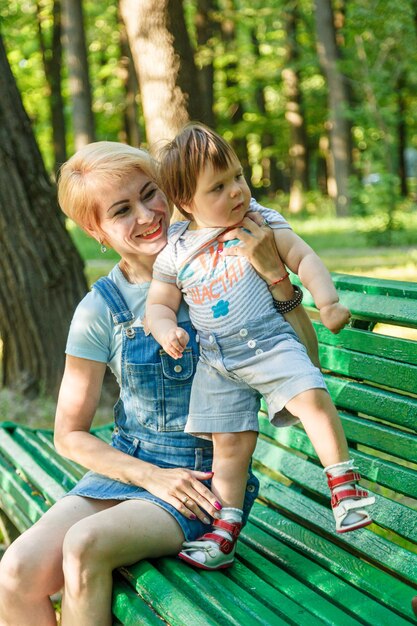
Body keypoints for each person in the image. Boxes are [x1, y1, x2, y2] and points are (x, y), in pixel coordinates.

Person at [0, 141, 317, 626]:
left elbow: (306, 363)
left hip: (205, 483)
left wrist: (275, 275)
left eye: (151, 194)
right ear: (96, 230)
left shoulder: (228, 264)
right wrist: (147, 475)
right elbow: (70, 433)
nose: (148, 215)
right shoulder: (100, 308)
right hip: (131, 469)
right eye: (122, 210)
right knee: (16, 570)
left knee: (85, 546)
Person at [146, 123, 376, 571]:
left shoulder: (261, 220)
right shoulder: (176, 248)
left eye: (238, 176)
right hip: (216, 361)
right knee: (229, 448)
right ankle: (226, 528)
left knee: (312, 397)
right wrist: (163, 329)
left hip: (270, 344)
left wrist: (327, 303)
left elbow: (304, 258)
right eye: (218, 186)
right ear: (188, 204)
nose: (237, 191)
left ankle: (344, 486)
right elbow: (159, 302)